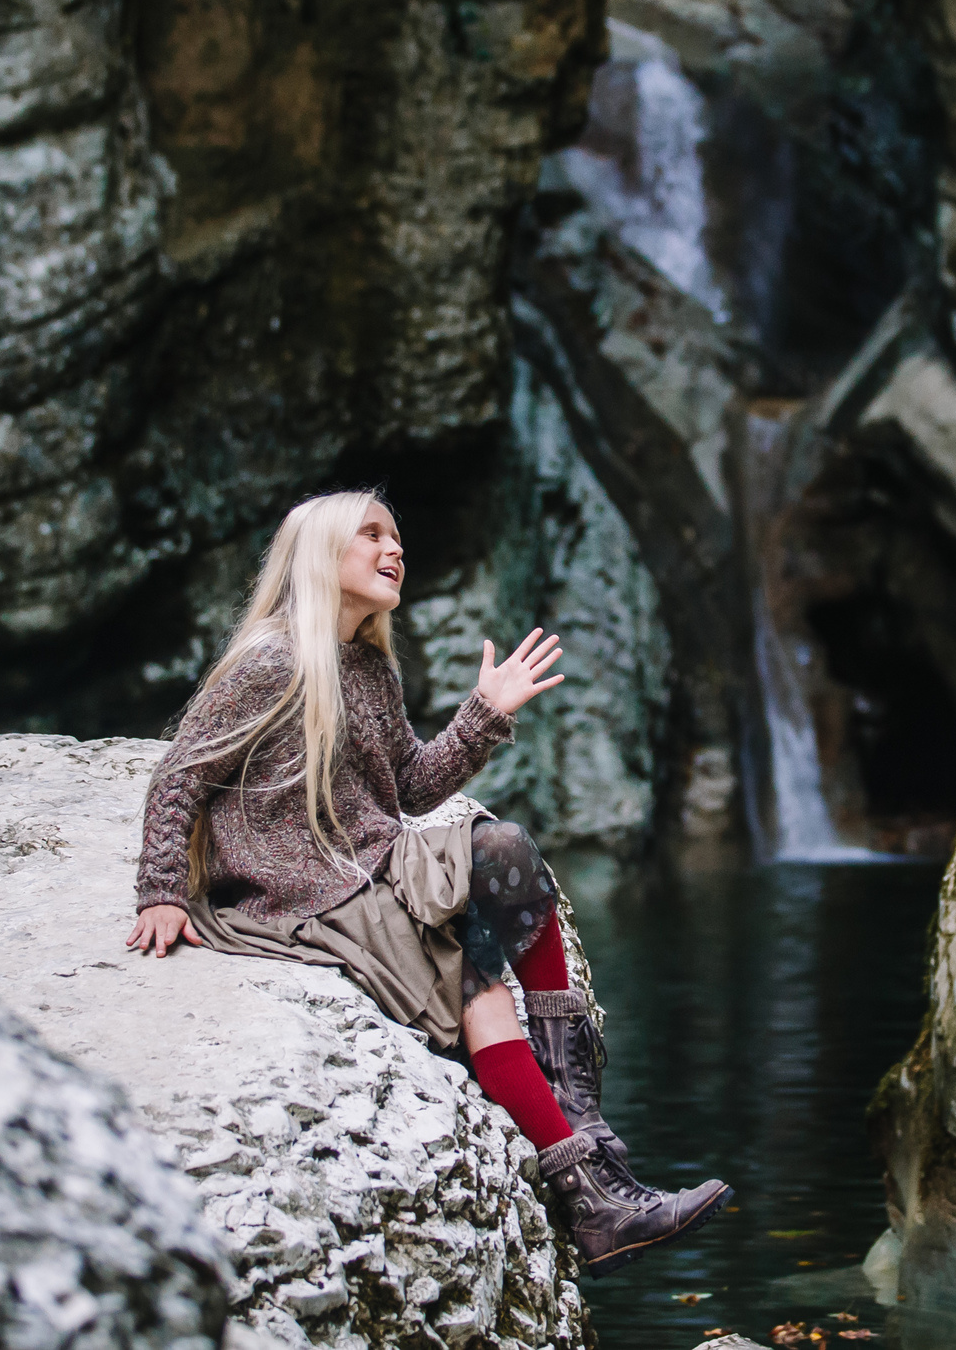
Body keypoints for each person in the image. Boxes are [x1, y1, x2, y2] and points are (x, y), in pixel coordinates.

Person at [125, 489, 730, 1274]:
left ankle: (577, 1112)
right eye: (371, 534)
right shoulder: (270, 663)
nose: (393, 548)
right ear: (320, 556)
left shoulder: (368, 665)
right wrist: (163, 889)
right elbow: (178, 776)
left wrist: (484, 711)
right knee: (477, 976)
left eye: (397, 536)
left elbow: (406, 787)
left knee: (508, 851)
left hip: (375, 861)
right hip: (303, 893)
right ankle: (594, 1203)